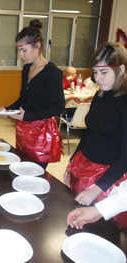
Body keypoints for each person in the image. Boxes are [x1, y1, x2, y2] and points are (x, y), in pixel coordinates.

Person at [63, 42, 127, 227]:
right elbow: (89, 133)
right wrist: (71, 163)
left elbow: (125, 157)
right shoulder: (100, 95)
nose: (97, 78)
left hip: (108, 179)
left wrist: (97, 189)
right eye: (95, 72)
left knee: (99, 227)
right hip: (84, 167)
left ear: (121, 69)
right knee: (74, 218)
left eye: (104, 72)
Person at [0, 19, 65, 170]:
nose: (21, 55)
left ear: (38, 46)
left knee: (36, 171)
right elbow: (24, 98)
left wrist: (29, 116)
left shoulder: (52, 73)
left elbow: (59, 107)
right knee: (22, 166)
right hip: (24, 128)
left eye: (24, 50)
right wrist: (8, 109)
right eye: (19, 51)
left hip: (42, 131)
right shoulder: (26, 69)